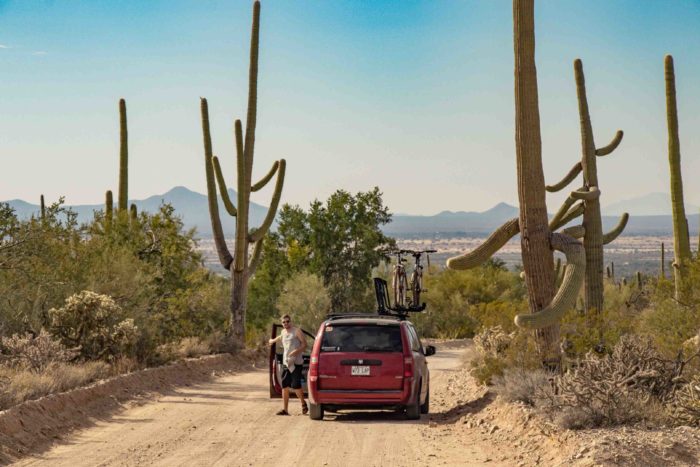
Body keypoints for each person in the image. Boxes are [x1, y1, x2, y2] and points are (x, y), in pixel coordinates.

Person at [269, 314, 308, 415]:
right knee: (285, 386)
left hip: (296, 362)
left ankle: (303, 404)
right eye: (284, 322)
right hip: (287, 362)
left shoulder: (297, 331)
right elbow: (280, 336)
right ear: (282, 324)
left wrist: (295, 352)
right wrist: (272, 341)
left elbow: (304, 345)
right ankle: (285, 410)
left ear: (291, 321)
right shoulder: (283, 332)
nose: (286, 323)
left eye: (287, 321)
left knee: (296, 386)